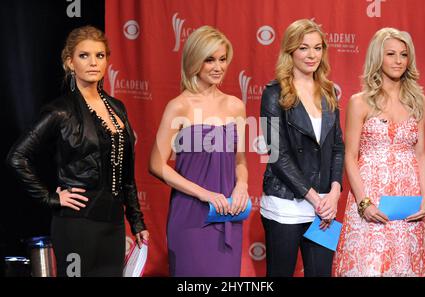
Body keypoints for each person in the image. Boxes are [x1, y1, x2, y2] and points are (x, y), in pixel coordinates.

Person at [6, 26, 149, 277]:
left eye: (100, 56)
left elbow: (127, 173)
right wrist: (50, 198)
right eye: (84, 56)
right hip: (77, 224)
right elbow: (17, 157)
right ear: (70, 62)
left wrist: (136, 221)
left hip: (114, 225)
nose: (93, 62)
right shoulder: (60, 111)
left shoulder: (117, 107)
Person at [148, 25, 248, 277]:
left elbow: (240, 160)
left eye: (223, 59)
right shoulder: (178, 106)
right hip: (191, 215)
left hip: (227, 214)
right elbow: (157, 165)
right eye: (210, 60)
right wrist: (204, 194)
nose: (218, 67)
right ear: (195, 61)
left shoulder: (235, 106)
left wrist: (242, 186)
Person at [334, 27, 425, 276]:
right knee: (369, 266)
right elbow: (350, 156)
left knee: (402, 266)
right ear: (378, 57)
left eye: (403, 55)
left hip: (407, 201)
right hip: (370, 198)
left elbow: (421, 154)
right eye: (391, 54)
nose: (398, 61)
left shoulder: (417, 100)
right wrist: (364, 203)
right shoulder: (359, 101)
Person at [259, 19, 344, 277]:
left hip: (323, 208)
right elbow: (277, 154)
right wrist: (315, 198)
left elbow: (338, 147)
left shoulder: (329, 91)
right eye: (304, 48)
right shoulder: (273, 94)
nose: (312, 55)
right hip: (285, 204)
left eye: (317, 48)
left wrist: (335, 192)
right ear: (290, 51)